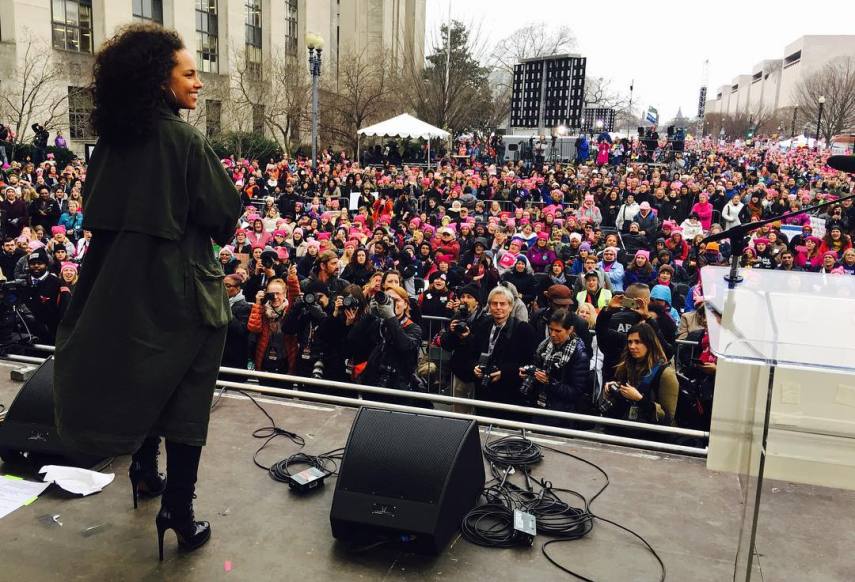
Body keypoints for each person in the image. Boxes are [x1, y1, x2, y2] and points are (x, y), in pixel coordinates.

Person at [53, 25, 241, 561]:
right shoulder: (185, 141)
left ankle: (143, 470)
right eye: (189, 73)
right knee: (186, 400)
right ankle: (178, 512)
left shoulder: (111, 142)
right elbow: (224, 218)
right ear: (161, 81)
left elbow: (96, 210)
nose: (199, 83)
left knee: (142, 376)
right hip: (182, 290)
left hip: (117, 287)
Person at [444, 285, 536, 415]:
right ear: (489, 306)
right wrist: (474, 367)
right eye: (494, 304)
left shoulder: (524, 330)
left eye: (502, 304)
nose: (498, 308)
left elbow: (529, 362)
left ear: (510, 306)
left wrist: (503, 372)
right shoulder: (482, 325)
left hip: (510, 394)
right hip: (484, 391)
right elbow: (469, 353)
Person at [599, 321, 678, 426]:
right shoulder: (628, 365)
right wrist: (616, 387)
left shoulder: (666, 374)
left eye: (637, 342)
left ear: (649, 343)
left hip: (650, 435)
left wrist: (640, 399)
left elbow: (667, 418)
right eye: (630, 342)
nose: (632, 346)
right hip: (624, 428)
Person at [521, 309, 590, 425]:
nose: (553, 334)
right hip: (540, 407)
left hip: (563, 416)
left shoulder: (579, 355)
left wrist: (550, 382)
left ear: (570, 330)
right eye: (551, 329)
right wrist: (530, 375)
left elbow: (576, 392)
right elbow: (538, 369)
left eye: (558, 331)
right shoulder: (543, 347)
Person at [23, 247, 61, 343]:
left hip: (51, 332)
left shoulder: (56, 283)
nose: (36, 266)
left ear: (46, 265)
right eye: (32, 264)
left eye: (39, 263)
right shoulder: (23, 282)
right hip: (28, 333)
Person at [221, 274, 252, 369]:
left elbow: (241, 331)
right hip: (219, 354)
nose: (223, 289)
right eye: (222, 285)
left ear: (238, 289)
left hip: (234, 357)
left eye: (228, 286)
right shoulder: (219, 303)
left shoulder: (245, 306)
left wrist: (226, 307)